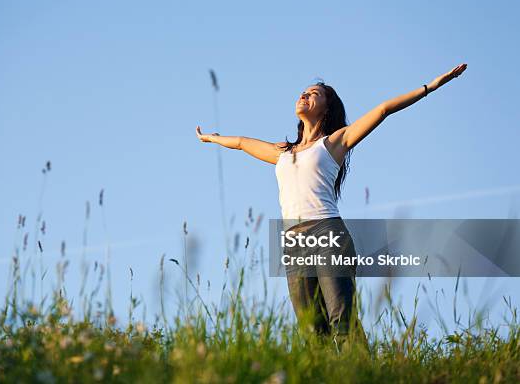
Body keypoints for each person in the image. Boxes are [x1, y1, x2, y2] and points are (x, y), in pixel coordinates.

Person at [196, 63, 468, 341]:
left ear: (326, 108)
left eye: (314, 93)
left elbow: (384, 109)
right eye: (303, 92)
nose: (305, 95)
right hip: (293, 242)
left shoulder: (334, 142)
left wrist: (431, 86)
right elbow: (242, 142)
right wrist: (213, 139)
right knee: (312, 330)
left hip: (327, 232)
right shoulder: (283, 152)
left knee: (342, 320)